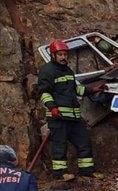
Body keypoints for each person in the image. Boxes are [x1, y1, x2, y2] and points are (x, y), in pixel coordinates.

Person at [37, 40, 96, 182]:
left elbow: (76, 89)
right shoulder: (47, 71)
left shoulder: (68, 71)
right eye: (60, 55)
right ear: (53, 55)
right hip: (58, 117)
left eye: (65, 54)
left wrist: (91, 90)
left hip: (73, 116)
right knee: (59, 145)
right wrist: (52, 107)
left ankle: (87, 172)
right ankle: (60, 174)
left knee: (84, 142)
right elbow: (44, 93)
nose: (63, 57)